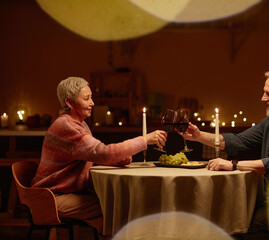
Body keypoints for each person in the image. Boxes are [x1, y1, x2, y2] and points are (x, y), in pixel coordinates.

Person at [180, 68, 269, 239]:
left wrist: (233, 165)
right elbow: (239, 141)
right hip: (267, 196)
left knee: (240, 227)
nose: (263, 99)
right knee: (224, 215)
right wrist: (198, 136)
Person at [31, 77, 167, 236]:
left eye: (91, 97)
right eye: (87, 98)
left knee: (115, 209)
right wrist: (145, 140)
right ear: (69, 102)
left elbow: (95, 154)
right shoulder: (67, 126)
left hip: (63, 193)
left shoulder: (78, 123)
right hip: (49, 197)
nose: (93, 103)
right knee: (115, 208)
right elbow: (103, 152)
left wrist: (117, 158)